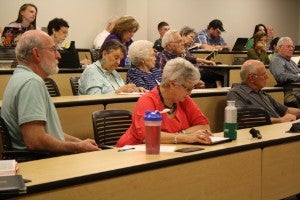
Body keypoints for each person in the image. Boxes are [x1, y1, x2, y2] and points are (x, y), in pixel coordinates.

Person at [0, 30, 100, 153]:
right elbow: (35, 140)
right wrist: (78, 148)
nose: (59, 55)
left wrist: (78, 142)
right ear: (36, 53)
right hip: (40, 163)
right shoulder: (31, 83)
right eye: (53, 50)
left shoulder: (21, 77)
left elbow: (52, 133)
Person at [116, 57, 212, 147]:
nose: (190, 93)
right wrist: (186, 137)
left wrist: (181, 134)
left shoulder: (183, 99)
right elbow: (149, 136)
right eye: (188, 89)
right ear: (173, 83)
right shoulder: (147, 100)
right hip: (131, 153)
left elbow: (204, 126)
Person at [227, 60, 300, 123]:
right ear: (252, 78)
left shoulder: (263, 93)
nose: (267, 77)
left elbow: (286, 110)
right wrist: (280, 120)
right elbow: (244, 118)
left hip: (278, 128)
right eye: (264, 74)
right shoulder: (236, 93)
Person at [78, 39, 147, 95]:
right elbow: (94, 100)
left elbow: (122, 92)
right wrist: (118, 92)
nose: (118, 62)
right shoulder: (91, 71)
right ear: (104, 54)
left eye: (120, 59)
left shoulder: (114, 72)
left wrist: (135, 90)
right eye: (116, 57)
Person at [269, 37, 300, 107]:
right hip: (288, 91)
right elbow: (281, 77)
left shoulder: (291, 61)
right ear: (279, 47)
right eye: (288, 46)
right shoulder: (276, 60)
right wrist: (297, 76)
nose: (291, 49)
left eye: (292, 47)